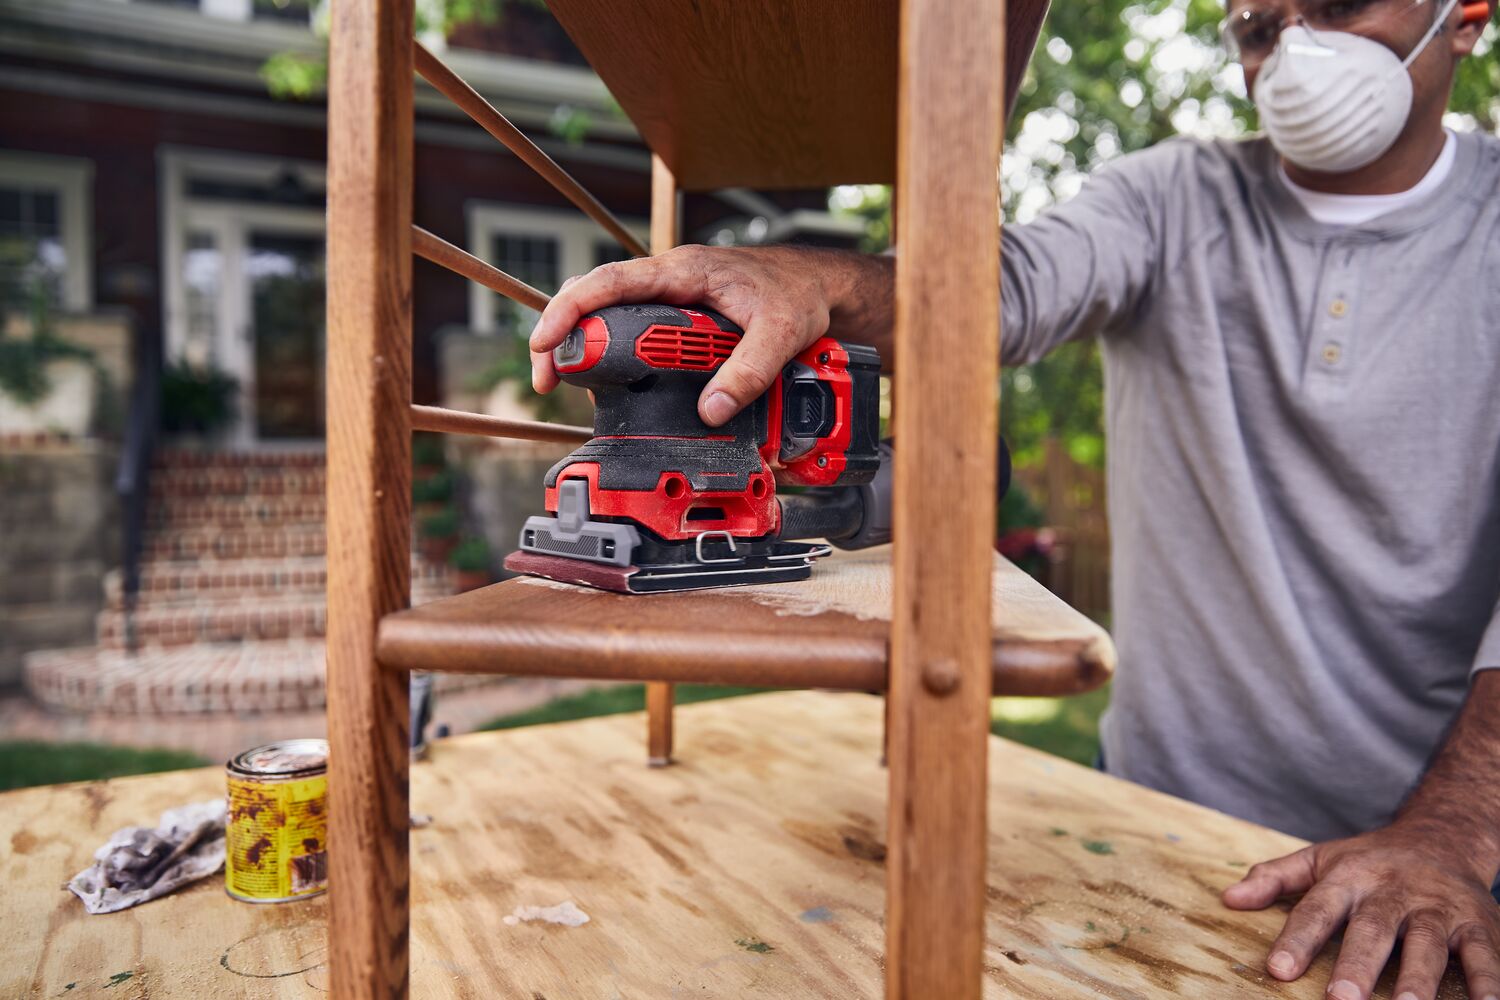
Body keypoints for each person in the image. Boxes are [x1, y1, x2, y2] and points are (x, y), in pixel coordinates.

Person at [526, 0, 1500, 996]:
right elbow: (993, 289)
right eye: (1257, 26)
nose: (1293, 52)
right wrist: (803, 279)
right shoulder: (1172, 198)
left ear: (1465, 18)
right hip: (1166, 827)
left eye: (1335, 4)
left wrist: (1456, 828)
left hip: (1442, 859)